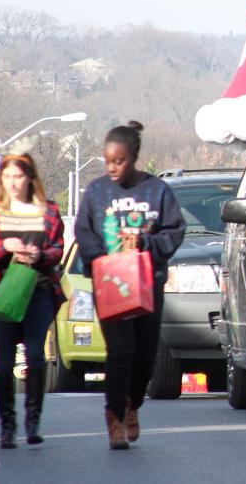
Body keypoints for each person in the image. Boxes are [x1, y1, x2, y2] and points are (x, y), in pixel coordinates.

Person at [74, 122, 186, 449]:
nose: (112, 168)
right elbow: (84, 233)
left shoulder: (157, 191)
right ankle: (113, 419)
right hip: (110, 284)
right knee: (120, 350)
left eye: (119, 161)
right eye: (107, 161)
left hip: (148, 284)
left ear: (134, 157)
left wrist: (145, 242)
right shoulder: (96, 192)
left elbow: (174, 232)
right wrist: (102, 259)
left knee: (145, 355)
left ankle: (131, 404)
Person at [0, 153, 65, 448]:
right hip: (3, 291)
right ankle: (8, 424)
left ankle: (33, 419)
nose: (13, 183)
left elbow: (57, 250)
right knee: (4, 357)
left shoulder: (48, 211)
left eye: (18, 177)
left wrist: (39, 255)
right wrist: (3, 246)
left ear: (30, 178)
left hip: (38, 289)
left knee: (36, 352)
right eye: (7, 177)